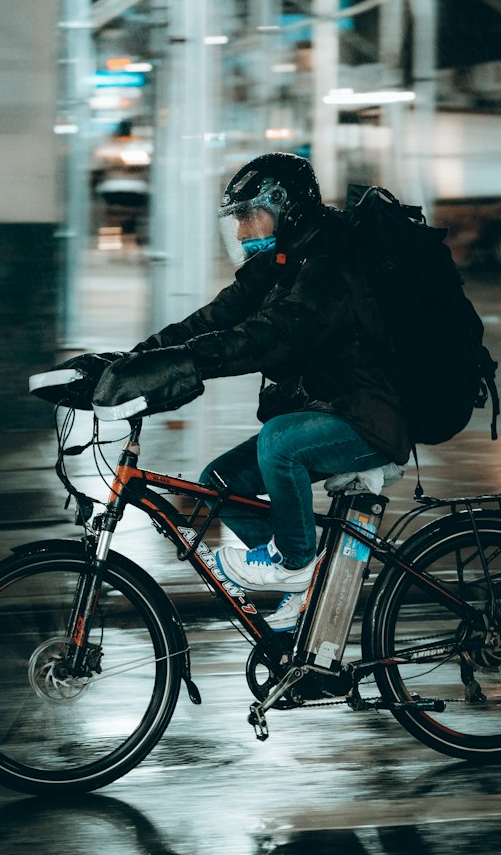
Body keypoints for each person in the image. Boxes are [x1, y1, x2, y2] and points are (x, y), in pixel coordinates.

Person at [91, 153, 410, 630]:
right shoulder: (282, 260)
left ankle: (298, 563)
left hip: (369, 416)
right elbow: (213, 320)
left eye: (247, 215)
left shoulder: (330, 264)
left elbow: (273, 334)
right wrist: (128, 363)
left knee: (278, 442)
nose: (240, 232)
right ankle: (309, 581)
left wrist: (192, 361)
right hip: (329, 406)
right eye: (237, 218)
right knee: (221, 482)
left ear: (287, 208)